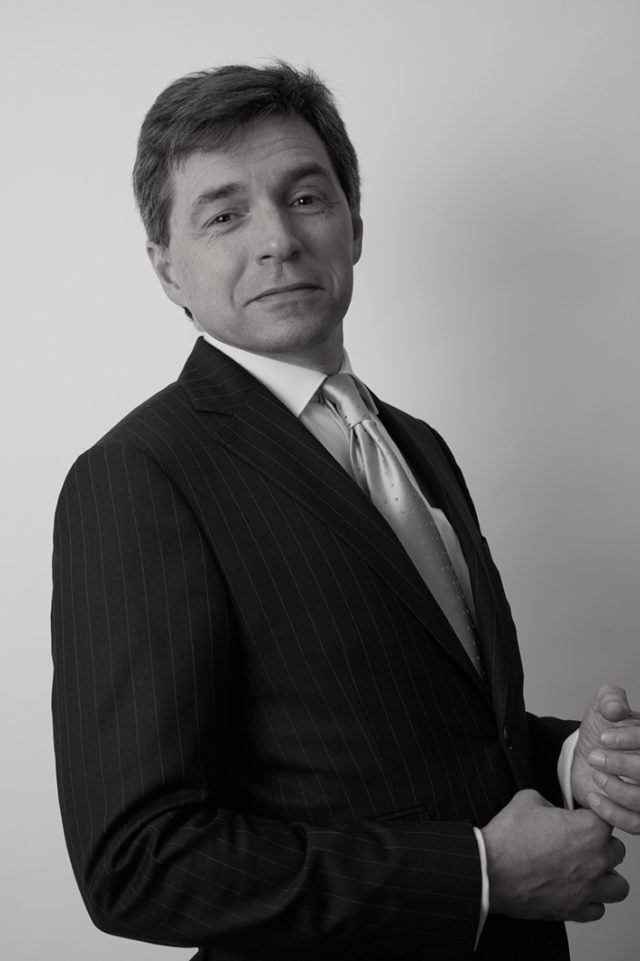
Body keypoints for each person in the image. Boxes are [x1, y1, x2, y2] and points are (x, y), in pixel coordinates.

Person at [51, 62, 640, 961]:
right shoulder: (139, 476)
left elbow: (423, 733)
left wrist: (571, 760)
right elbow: (138, 862)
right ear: (167, 267)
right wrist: (479, 872)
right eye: (224, 214)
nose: (278, 240)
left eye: (305, 198)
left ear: (354, 225)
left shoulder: (417, 443)